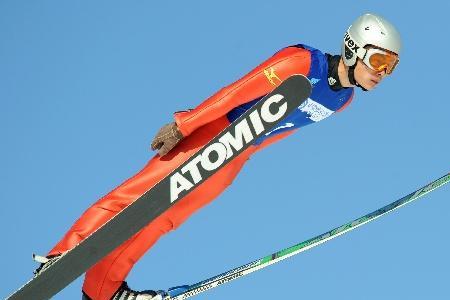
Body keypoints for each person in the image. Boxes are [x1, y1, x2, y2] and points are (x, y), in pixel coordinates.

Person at [33, 13, 401, 300]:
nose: (383, 73)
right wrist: (185, 125)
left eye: (391, 66)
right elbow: (237, 90)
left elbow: (280, 132)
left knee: (161, 219)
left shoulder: (342, 100)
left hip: (238, 154)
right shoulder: (303, 64)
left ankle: (102, 290)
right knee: (137, 195)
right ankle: (65, 253)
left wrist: (244, 155)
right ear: (354, 47)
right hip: (215, 132)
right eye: (380, 60)